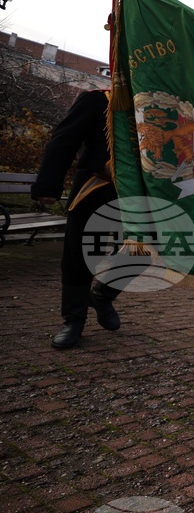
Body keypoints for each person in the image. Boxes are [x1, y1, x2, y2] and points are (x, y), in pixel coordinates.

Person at [31, 89, 123, 349]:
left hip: (136, 193)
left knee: (147, 248)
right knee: (80, 254)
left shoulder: (156, 106)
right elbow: (65, 139)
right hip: (95, 187)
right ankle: (74, 319)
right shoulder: (98, 98)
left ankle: (103, 295)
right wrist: (48, 185)